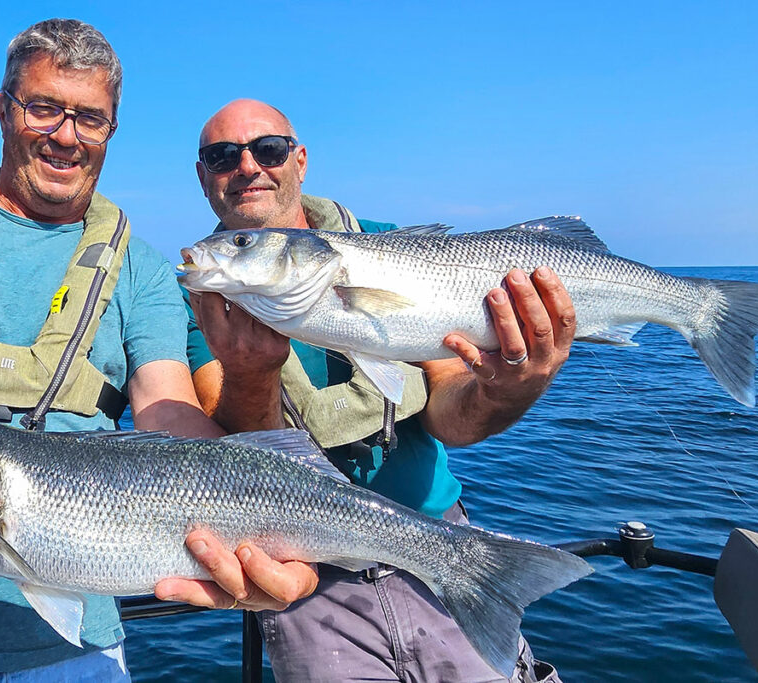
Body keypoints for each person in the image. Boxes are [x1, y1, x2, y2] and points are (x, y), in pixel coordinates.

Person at [0, 24, 315, 681]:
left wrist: (273, 505)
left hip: (76, 656)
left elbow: (170, 422)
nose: (66, 135)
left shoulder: (144, 269)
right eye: (44, 107)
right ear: (4, 109)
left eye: (90, 118)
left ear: (111, 129)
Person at [187, 99, 577, 682]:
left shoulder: (388, 247)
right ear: (203, 175)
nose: (247, 166)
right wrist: (251, 373)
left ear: (299, 160)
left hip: (441, 541)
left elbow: (453, 418)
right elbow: (238, 454)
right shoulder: (202, 290)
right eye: (223, 156)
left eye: (267, 149)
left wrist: (510, 388)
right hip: (308, 578)